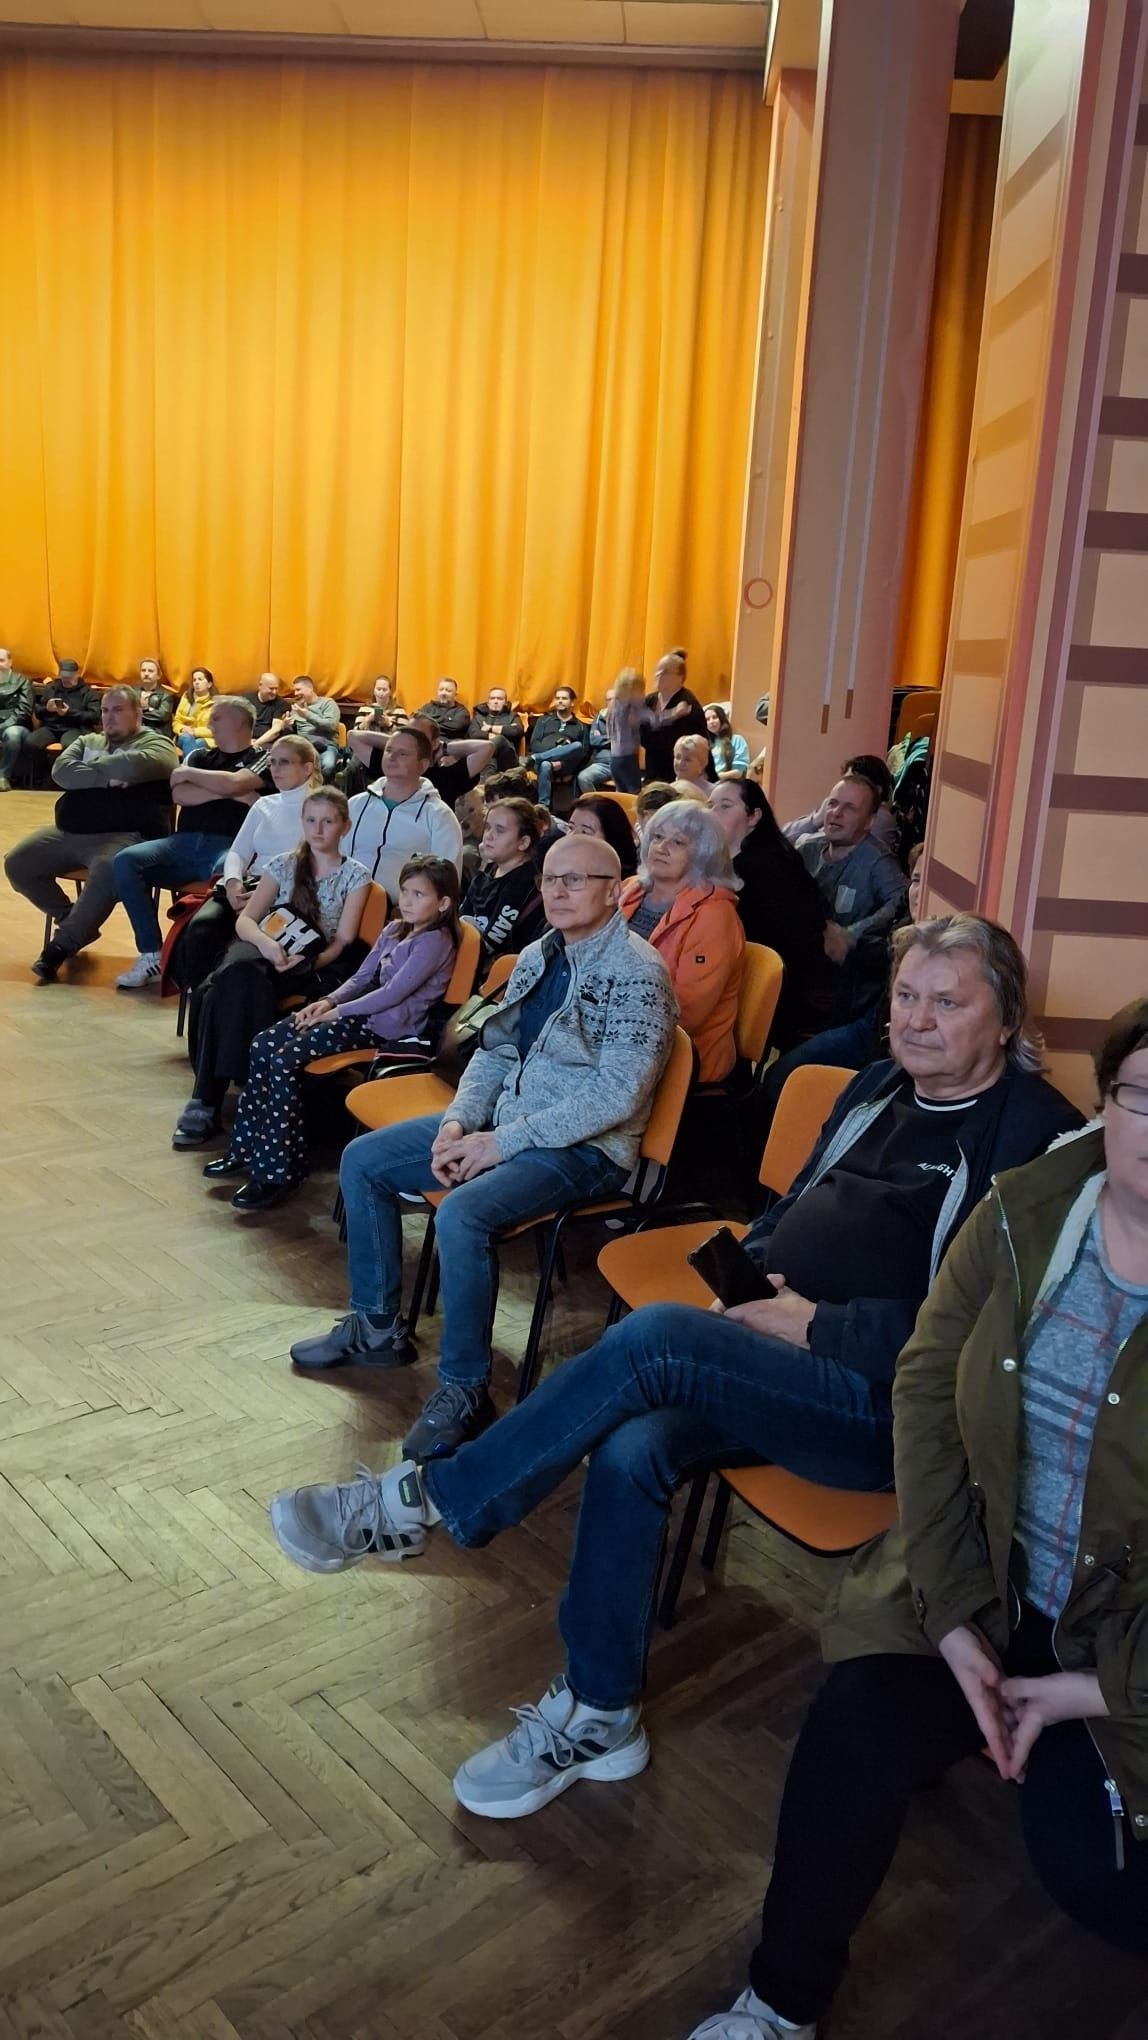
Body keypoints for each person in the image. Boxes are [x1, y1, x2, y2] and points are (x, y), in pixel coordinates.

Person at [269, 915, 1082, 1829]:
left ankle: (425, 1501)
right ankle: (598, 1713)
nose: (917, 1020)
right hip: (781, 1353)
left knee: (656, 1338)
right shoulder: (878, 1084)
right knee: (634, 1447)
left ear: (1006, 1019)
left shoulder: (1037, 1143)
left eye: (948, 1002)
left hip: (888, 1409)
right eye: (905, 996)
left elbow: (994, 1341)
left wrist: (817, 1325)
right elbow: (792, 1204)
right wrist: (755, 1278)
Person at [689, 999, 1148, 2040]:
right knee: (852, 1726)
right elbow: (930, 1392)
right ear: (1109, 1101)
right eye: (1143, 1095)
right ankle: (780, 1999)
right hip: (982, 1578)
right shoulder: (1029, 1211)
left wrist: (1088, 1690)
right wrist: (948, 1614)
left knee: (1095, 1873)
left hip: (1121, 1647)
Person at [284, 829, 678, 1461]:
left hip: (587, 1151)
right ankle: (377, 1327)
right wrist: (458, 1122)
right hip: (508, 1125)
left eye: (577, 880)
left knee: (463, 1215)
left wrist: (503, 1142)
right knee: (364, 1160)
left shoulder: (638, 973)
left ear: (615, 892)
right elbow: (494, 1052)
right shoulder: (539, 954)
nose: (558, 890)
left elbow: (619, 1095)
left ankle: (465, 1389)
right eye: (550, 879)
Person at [203, 856, 461, 1210]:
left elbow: (392, 994)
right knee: (263, 1044)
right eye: (404, 891)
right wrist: (325, 1002)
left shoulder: (435, 942)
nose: (407, 901)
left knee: (283, 1061)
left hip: (385, 1028)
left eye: (419, 895)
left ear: (443, 903)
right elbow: (361, 978)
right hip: (357, 1015)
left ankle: (277, 1172)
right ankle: (245, 1148)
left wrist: (335, 1013)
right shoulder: (395, 929)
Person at [173, 787, 371, 1149]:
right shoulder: (283, 864)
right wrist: (267, 945)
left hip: (308, 960)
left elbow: (342, 940)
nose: (318, 829)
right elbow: (246, 920)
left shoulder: (356, 875)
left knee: (216, 992)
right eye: (311, 820)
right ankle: (251, 1092)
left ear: (345, 826)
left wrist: (308, 963)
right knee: (239, 974)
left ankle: (206, 1100)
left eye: (328, 821)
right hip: (261, 946)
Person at [5, 685, 178, 981]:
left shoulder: (156, 743)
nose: (109, 717)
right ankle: (74, 920)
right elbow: (61, 771)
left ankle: (61, 945)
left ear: (137, 713)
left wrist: (90, 770)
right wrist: (109, 779)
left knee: (109, 868)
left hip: (125, 834)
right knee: (17, 862)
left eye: (118, 710)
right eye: (105, 710)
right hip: (74, 829)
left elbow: (152, 764)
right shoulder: (88, 740)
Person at [112, 694, 266, 989]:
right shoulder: (198, 756)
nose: (210, 723)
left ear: (239, 722)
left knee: (229, 872)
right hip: (181, 845)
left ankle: (198, 961)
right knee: (126, 860)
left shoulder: (262, 757)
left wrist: (203, 781)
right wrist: (232, 792)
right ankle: (152, 954)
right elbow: (180, 794)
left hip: (228, 846)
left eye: (217, 717)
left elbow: (235, 783)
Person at [619, 799, 744, 1083]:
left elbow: (687, 1013)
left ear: (703, 854)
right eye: (657, 837)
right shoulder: (629, 889)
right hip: (616, 1035)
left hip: (681, 1058)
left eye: (678, 842)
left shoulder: (714, 917)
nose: (661, 847)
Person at [707, 779, 830, 1049]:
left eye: (725, 806)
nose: (712, 814)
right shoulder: (729, 863)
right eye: (710, 805)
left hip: (778, 992)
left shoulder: (762, 867)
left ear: (753, 817)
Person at [798, 774, 907, 1011]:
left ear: (869, 821)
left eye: (849, 808)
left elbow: (901, 902)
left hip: (842, 986)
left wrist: (851, 935)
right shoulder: (807, 849)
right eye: (833, 803)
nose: (836, 813)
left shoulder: (878, 862)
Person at [342, 725, 464, 900]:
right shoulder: (355, 804)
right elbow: (336, 859)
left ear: (423, 765)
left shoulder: (440, 816)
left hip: (404, 911)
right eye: (389, 750)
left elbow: (447, 882)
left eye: (403, 754)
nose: (391, 757)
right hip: (345, 904)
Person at [460, 796, 546, 971]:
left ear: (523, 842)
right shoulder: (491, 868)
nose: (489, 836)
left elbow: (490, 944)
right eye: (488, 827)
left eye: (500, 830)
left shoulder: (521, 884)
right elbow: (462, 914)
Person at [784, 752, 900, 857]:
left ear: (877, 790)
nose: (836, 812)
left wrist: (804, 839)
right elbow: (782, 839)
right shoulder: (834, 806)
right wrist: (816, 819)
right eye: (845, 781)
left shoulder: (879, 817)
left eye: (854, 782)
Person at [14, 660, 98, 786]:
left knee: (70, 745)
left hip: (75, 727)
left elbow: (94, 716)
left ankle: (66, 778)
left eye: (69, 677)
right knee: (30, 743)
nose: (66, 680)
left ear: (77, 674)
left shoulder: (88, 693)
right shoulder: (51, 689)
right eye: (63, 676)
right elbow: (38, 712)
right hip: (51, 727)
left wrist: (69, 713)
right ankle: (45, 773)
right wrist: (47, 709)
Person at [641, 650, 708, 783]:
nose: (659, 675)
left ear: (680, 677)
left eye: (665, 672)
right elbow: (641, 734)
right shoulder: (649, 701)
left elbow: (677, 745)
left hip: (681, 778)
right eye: (657, 671)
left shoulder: (688, 704)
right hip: (652, 773)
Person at [525, 687, 591, 806]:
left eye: (564, 698)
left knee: (577, 745)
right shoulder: (543, 721)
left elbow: (584, 753)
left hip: (565, 765)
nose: (560, 701)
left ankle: (537, 758)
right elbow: (534, 744)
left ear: (572, 702)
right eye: (557, 698)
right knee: (546, 764)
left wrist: (562, 762)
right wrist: (553, 755)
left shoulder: (581, 726)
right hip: (542, 763)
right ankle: (543, 806)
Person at [282, 675, 340, 781]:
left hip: (325, 746)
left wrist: (307, 715)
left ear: (310, 688)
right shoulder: (296, 707)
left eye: (298, 689)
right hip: (303, 747)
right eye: (295, 691)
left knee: (327, 765)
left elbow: (331, 726)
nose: (295, 694)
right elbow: (292, 734)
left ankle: (319, 790)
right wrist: (286, 726)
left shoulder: (328, 703)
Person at [567, 793, 638, 879]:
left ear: (611, 840)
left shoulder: (626, 883)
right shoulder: (559, 867)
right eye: (570, 827)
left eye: (585, 832)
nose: (572, 837)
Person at [605, 667, 647, 794]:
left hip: (614, 759)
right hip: (628, 759)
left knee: (621, 795)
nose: (643, 694)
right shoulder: (630, 709)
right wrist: (674, 713)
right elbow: (653, 720)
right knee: (634, 796)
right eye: (641, 690)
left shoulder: (613, 706)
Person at [0, 646, 35, 790]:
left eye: (1, 660)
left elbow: (24, 710)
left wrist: (4, 725)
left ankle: (3, 776)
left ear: (10, 662)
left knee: (12, 734)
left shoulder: (23, 681)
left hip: (17, 724)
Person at [468, 686, 523, 768]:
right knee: (490, 759)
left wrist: (490, 728)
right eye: (492, 698)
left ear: (505, 702)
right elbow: (473, 733)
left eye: (499, 699)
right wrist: (491, 735)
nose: (495, 701)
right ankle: (491, 776)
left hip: (507, 758)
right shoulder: (479, 717)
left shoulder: (512, 716)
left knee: (500, 739)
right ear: (488, 702)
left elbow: (517, 730)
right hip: (485, 757)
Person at [172, 668, 217, 759]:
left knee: (196, 743)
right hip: (183, 736)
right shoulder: (186, 697)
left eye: (200, 679)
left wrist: (194, 732)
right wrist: (182, 729)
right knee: (187, 738)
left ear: (209, 684)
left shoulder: (216, 703)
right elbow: (176, 721)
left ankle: (189, 765)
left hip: (205, 739)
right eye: (194, 680)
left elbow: (216, 729)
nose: (196, 682)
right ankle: (192, 766)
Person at [576, 694, 614, 794]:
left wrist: (602, 737)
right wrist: (612, 738)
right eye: (610, 699)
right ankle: (595, 802)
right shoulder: (598, 718)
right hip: (602, 764)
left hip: (622, 763)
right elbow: (594, 740)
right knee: (583, 777)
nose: (613, 702)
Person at [416, 677, 471, 742]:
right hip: (426, 743)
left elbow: (455, 727)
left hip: (449, 745)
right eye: (441, 690)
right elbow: (416, 722)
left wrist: (428, 723)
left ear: (455, 695)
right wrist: (445, 720)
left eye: (448, 691)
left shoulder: (461, 712)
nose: (443, 693)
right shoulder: (428, 707)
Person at [705, 703, 750, 776]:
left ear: (722, 718)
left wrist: (717, 777)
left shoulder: (737, 740)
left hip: (728, 781)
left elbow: (739, 772)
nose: (711, 721)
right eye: (707, 719)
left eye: (715, 717)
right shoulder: (705, 743)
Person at [247, 672, 286, 748]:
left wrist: (255, 744)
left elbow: (276, 730)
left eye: (276, 688)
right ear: (260, 685)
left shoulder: (281, 703)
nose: (274, 692)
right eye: (271, 688)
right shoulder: (245, 700)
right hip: (245, 740)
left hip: (266, 742)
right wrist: (245, 741)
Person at [137, 658, 175, 735]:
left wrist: (141, 711)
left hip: (158, 733)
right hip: (135, 732)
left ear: (158, 676)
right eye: (143, 670)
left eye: (150, 671)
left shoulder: (167, 694)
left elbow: (162, 716)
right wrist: (150, 710)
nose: (146, 673)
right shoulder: (132, 691)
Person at [672, 733, 714, 800]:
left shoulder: (713, 793)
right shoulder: (667, 791)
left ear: (702, 764)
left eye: (687, 759)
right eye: (678, 757)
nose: (680, 763)